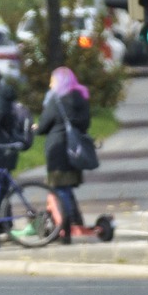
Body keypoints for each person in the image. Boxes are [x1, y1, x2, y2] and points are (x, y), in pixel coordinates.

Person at [35, 66, 91, 244]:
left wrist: (36, 128)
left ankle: (65, 230)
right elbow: (85, 123)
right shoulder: (81, 98)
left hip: (58, 149)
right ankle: (76, 222)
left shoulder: (56, 100)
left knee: (60, 190)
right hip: (74, 149)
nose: (50, 84)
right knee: (67, 189)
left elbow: (43, 125)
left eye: (52, 80)